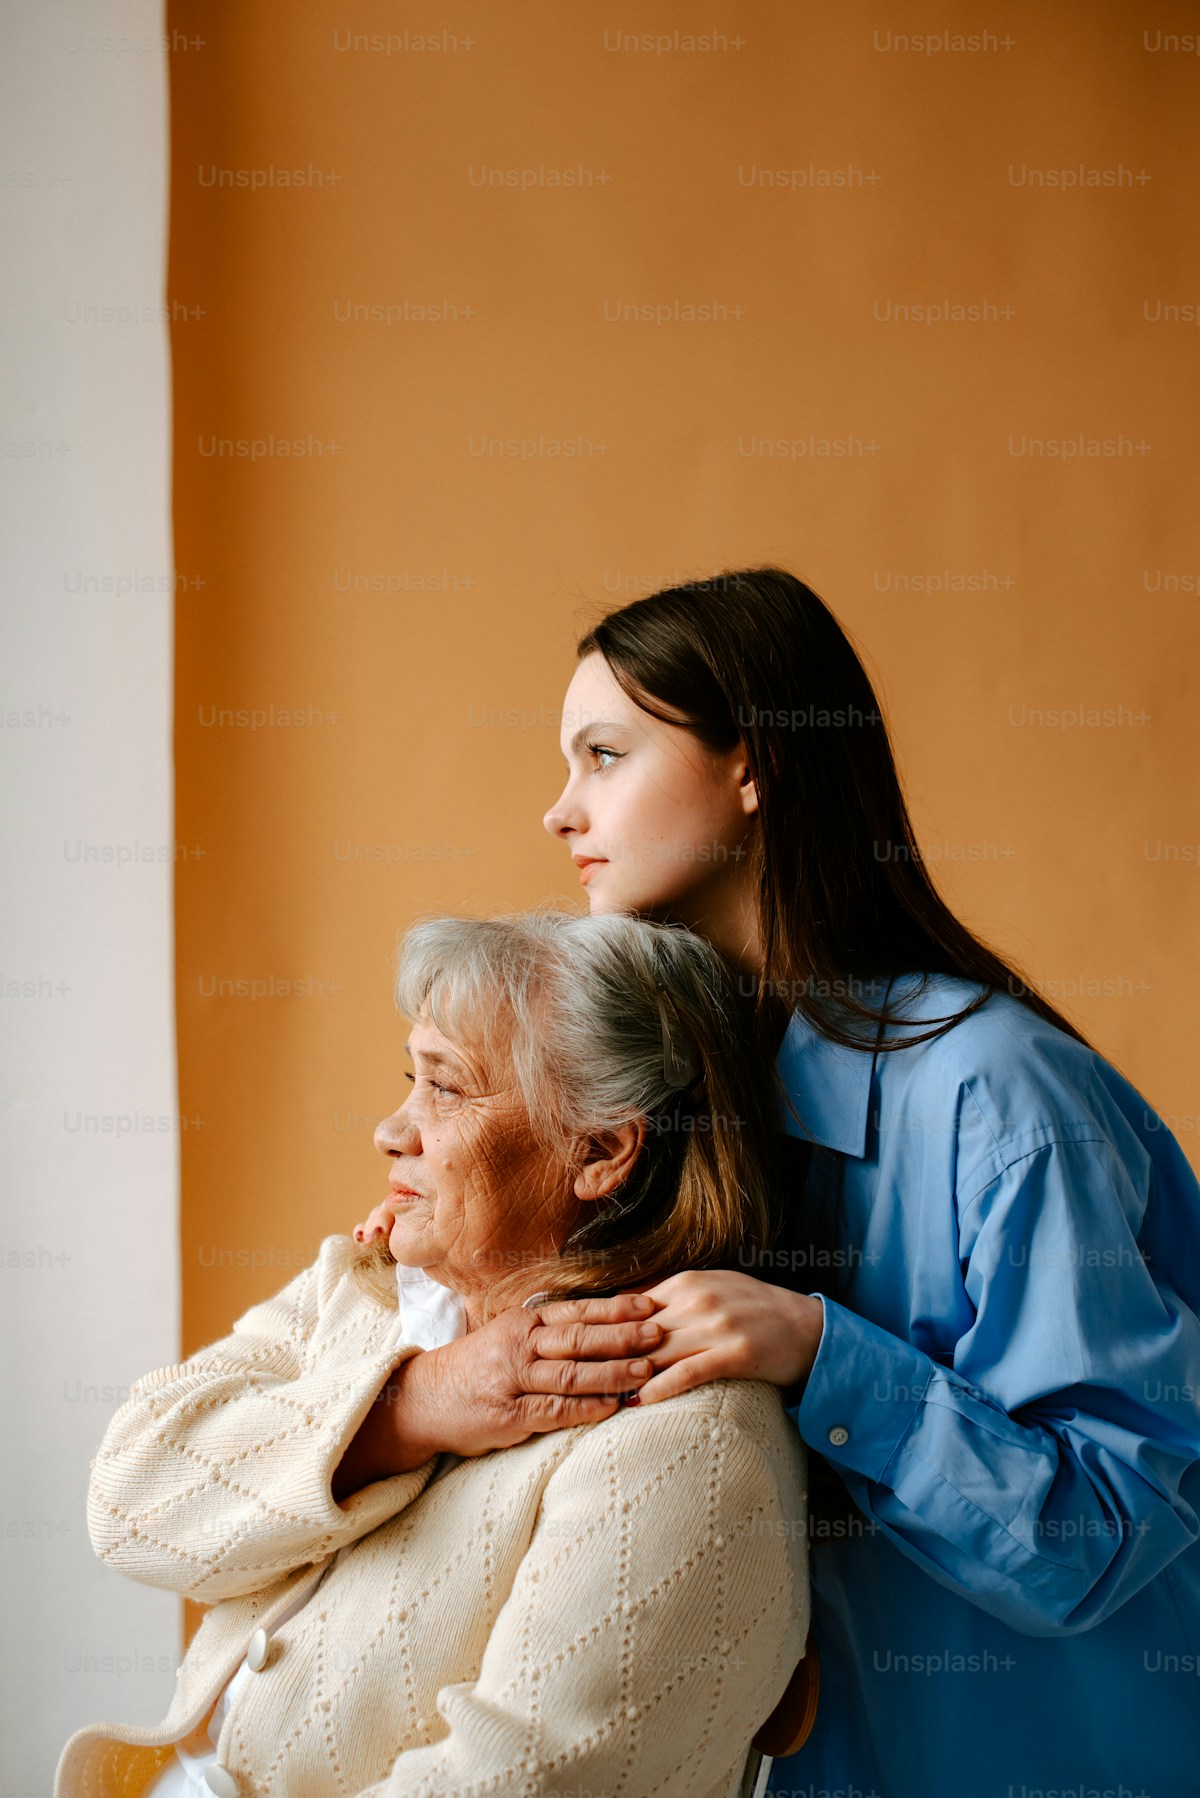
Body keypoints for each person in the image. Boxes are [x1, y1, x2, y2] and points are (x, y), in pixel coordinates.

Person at [377, 567, 1199, 1796]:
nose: (560, 810)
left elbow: (1097, 1540)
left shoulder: (1005, 1100)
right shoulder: (675, 1098)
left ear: (753, 766)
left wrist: (826, 1351)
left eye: (604, 754)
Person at [56, 911, 810, 1798]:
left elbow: (527, 1779)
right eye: (409, 1079)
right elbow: (128, 1505)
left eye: (445, 1090)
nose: (390, 1129)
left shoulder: (692, 1441)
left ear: (602, 1149)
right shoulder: (372, 1291)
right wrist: (408, 1407)